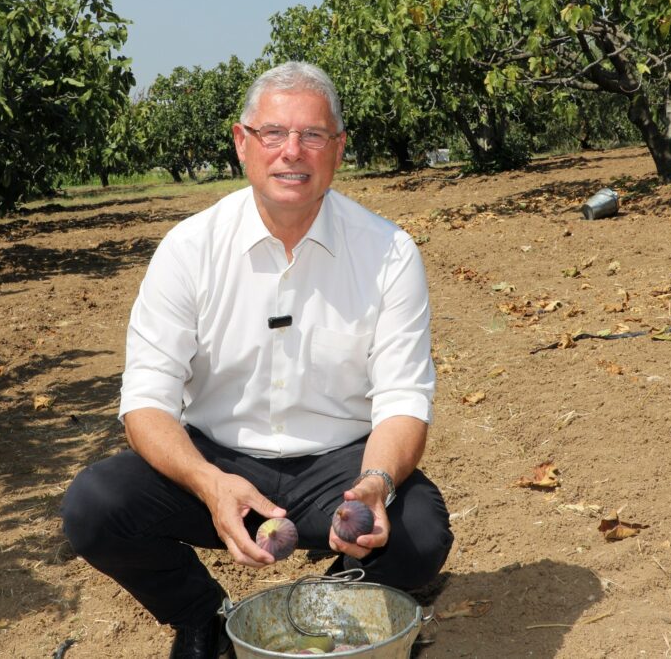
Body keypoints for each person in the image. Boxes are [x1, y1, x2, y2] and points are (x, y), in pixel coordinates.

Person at [61, 62, 452, 658]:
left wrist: (374, 484)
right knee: (96, 506)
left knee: (419, 531)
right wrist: (210, 484)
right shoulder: (189, 249)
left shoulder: (388, 253)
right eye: (273, 133)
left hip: (338, 468)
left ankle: (323, 611)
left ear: (338, 148)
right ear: (242, 143)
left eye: (313, 135)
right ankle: (203, 617)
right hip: (215, 459)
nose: (292, 151)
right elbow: (146, 402)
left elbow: (402, 398)